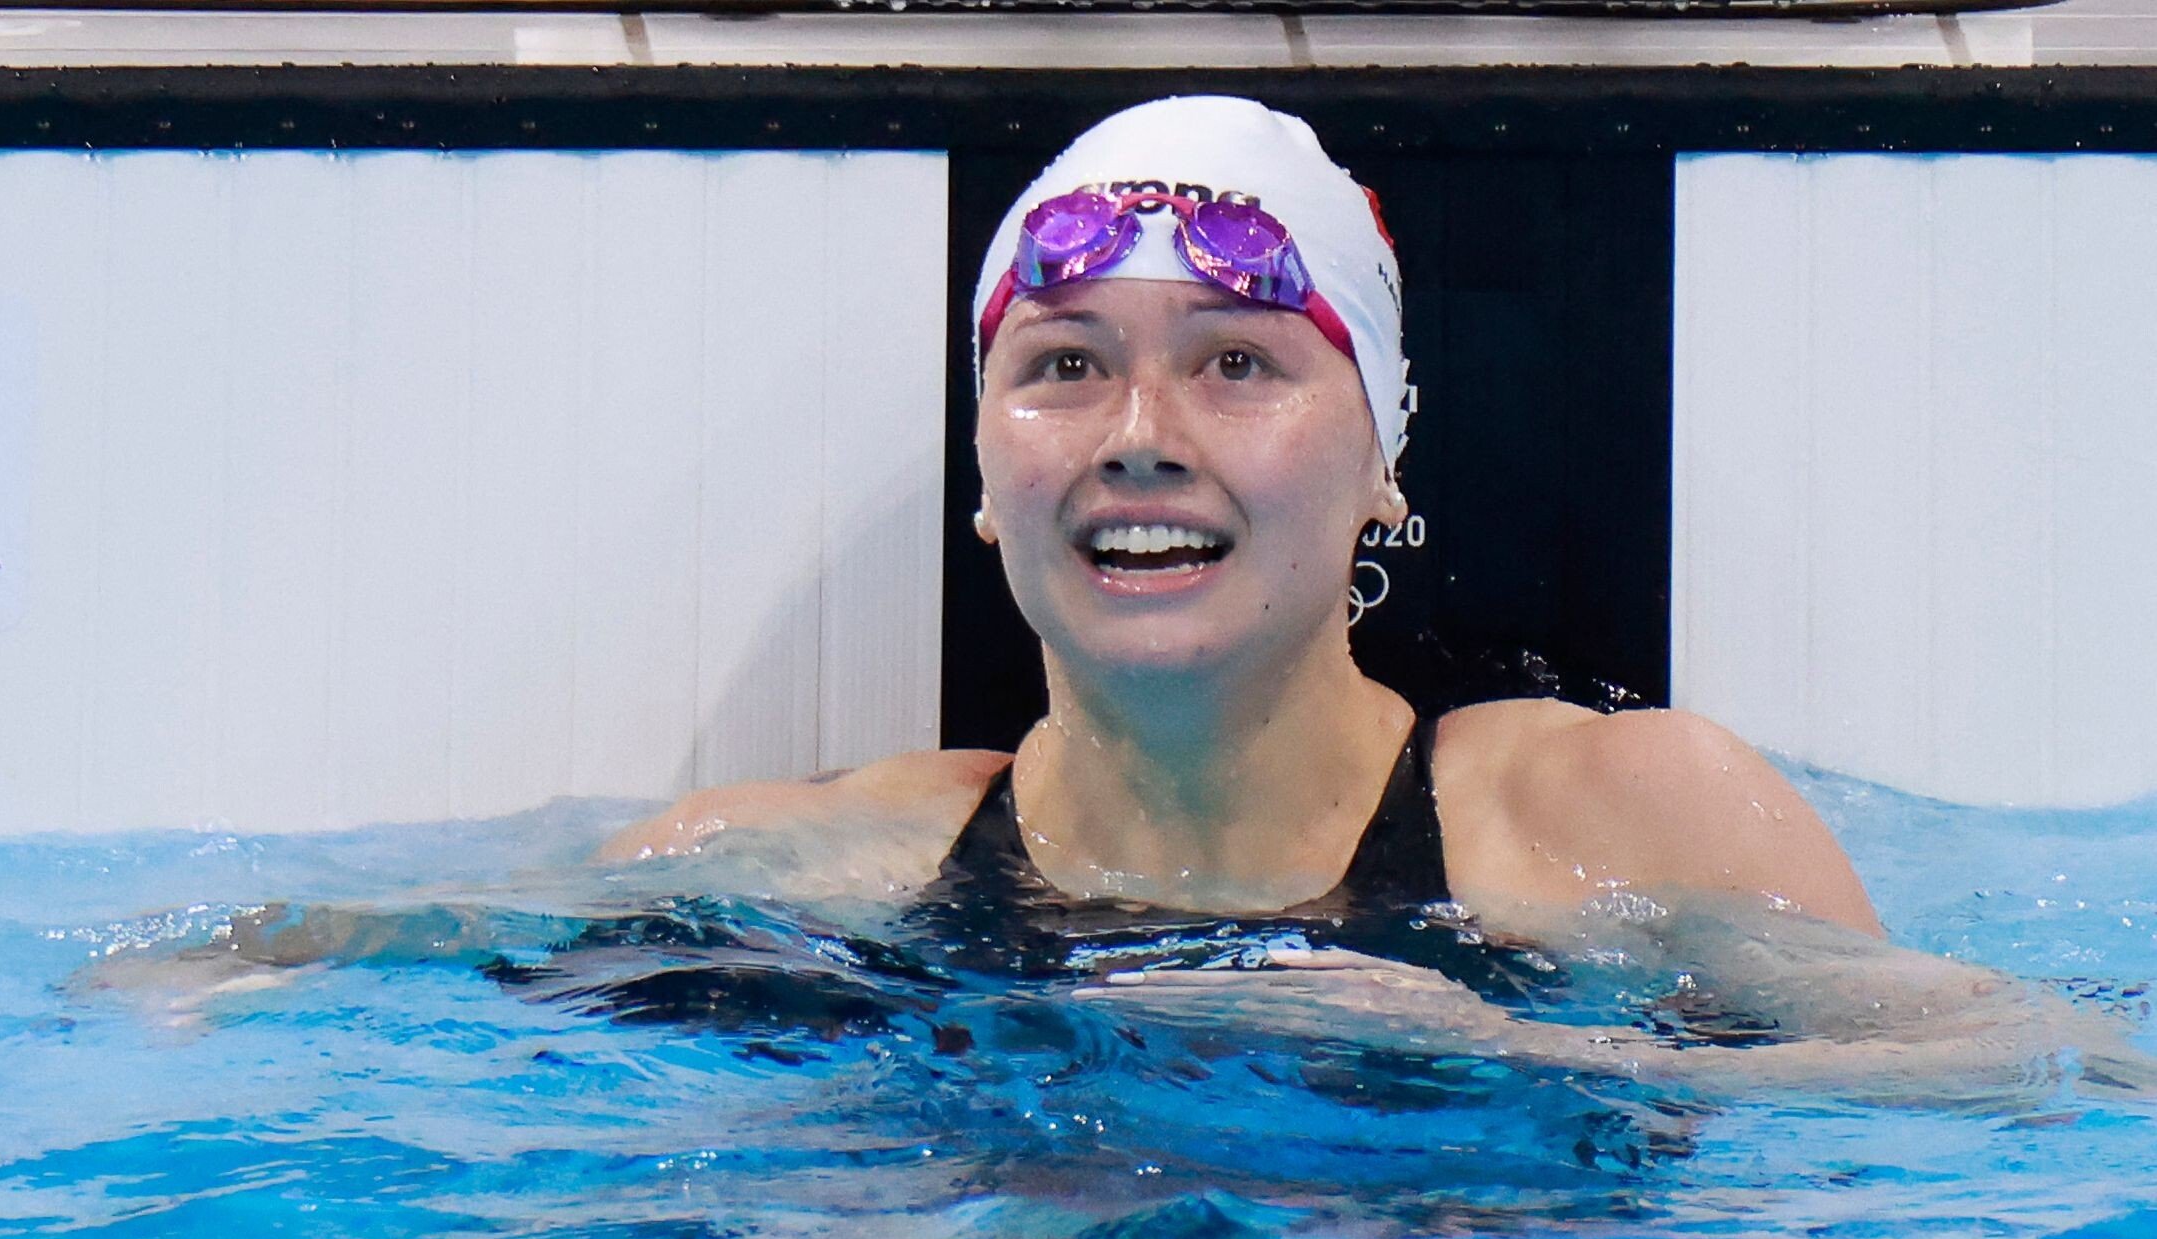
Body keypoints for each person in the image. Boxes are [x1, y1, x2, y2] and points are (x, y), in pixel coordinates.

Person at [596, 95, 1879, 951]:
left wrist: (1477, 1042)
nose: (1139, 432)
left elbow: (1999, 1095)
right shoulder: (778, 873)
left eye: (1237, 365)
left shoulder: (1634, 821)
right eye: (1063, 365)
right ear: (984, 477)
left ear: (1383, 457)